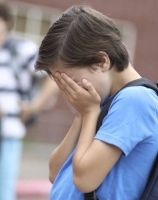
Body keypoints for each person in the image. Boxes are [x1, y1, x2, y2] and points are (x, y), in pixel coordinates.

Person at [35, 5, 158, 200]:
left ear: (102, 61)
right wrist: (81, 115)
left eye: (72, 81)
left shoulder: (134, 100)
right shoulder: (103, 101)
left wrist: (90, 113)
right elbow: (55, 172)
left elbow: (85, 180)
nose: (70, 91)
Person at [0, 1, 58, 200]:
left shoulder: (22, 50)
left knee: (1, 195)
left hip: (6, 137)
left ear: (6, 22)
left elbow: (53, 77)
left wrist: (35, 106)